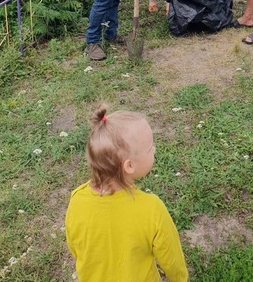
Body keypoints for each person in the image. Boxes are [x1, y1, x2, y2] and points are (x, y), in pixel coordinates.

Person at [65, 107, 188, 282]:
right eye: (150, 147)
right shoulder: (151, 209)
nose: (154, 149)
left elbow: (75, 246)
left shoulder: (77, 199)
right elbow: (172, 259)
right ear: (129, 166)